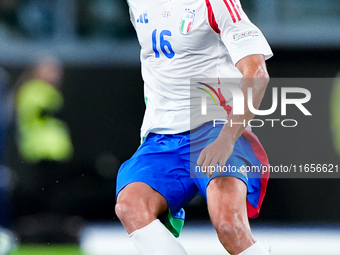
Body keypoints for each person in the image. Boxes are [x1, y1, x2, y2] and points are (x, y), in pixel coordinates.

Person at [115, 0, 273, 254]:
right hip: (161, 135)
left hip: (215, 126)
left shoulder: (216, 3)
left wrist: (227, 138)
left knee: (229, 226)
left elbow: (256, 74)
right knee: (130, 206)